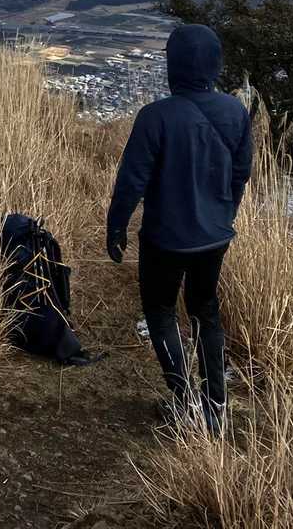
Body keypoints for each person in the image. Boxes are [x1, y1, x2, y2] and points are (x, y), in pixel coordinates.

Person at [106, 24, 252, 434]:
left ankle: (184, 403)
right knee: (205, 310)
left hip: (164, 239)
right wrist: (224, 214)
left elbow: (131, 182)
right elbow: (240, 173)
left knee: (160, 311)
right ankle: (215, 408)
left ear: (173, 66)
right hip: (215, 236)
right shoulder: (235, 112)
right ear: (215, 64)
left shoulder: (155, 117)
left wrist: (116, 227)